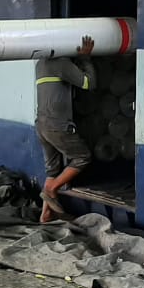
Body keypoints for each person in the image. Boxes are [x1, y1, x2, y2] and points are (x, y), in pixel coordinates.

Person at [35, 34, 95, 223]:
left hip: (42, 125)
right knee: (82, 157)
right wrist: (85, 59)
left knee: (52, 171)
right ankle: (52, 190)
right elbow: (89, 83)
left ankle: (46, 214)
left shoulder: (41, 64)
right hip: (58, 125)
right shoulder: (61, 64)